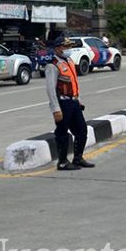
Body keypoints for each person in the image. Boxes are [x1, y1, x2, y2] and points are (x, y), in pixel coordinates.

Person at [45, 36, 95, 171]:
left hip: (73, 102)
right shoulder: (52, 65)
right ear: (58, 48)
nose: (69, 49)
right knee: (62, 132)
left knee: (82, 130)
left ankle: (78, 158)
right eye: (66, 47)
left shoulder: (69, 61)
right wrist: (55, 109)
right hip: (62, 103)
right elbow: (50, 89)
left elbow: (73, 84)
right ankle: (62, 162)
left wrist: (78, 100)